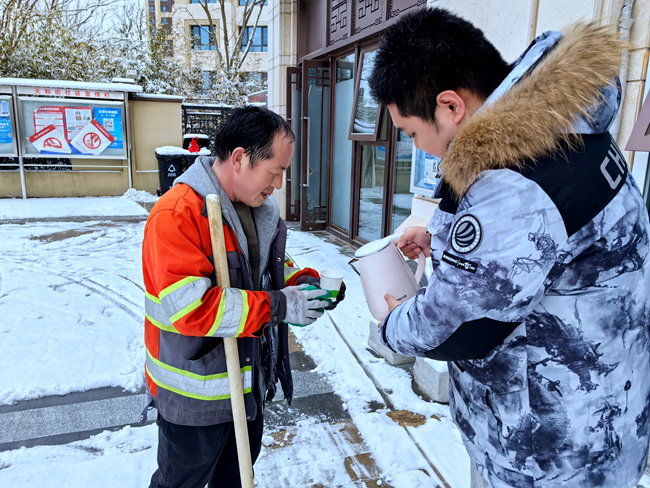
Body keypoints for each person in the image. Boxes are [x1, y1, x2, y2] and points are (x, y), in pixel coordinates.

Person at [369, 8, 650, 488]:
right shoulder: (563, 132)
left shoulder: (515, 181)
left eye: (414, 134)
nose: (423, 150)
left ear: (450, 106)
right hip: (598, 417)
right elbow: (549, 251)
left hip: (552, 452)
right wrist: (442, 240)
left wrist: (394, 323)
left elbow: (462, 326)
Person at [142, 106, 345, 488]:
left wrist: (305, 284)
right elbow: (193, 309)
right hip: (194, 397)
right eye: (276, 171)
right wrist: (281, 305)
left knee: (235, 479)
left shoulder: (257, 210)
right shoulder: (178, 214)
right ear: (239, 158)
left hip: (247, 383)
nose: (280, 184)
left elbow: (265, 273)